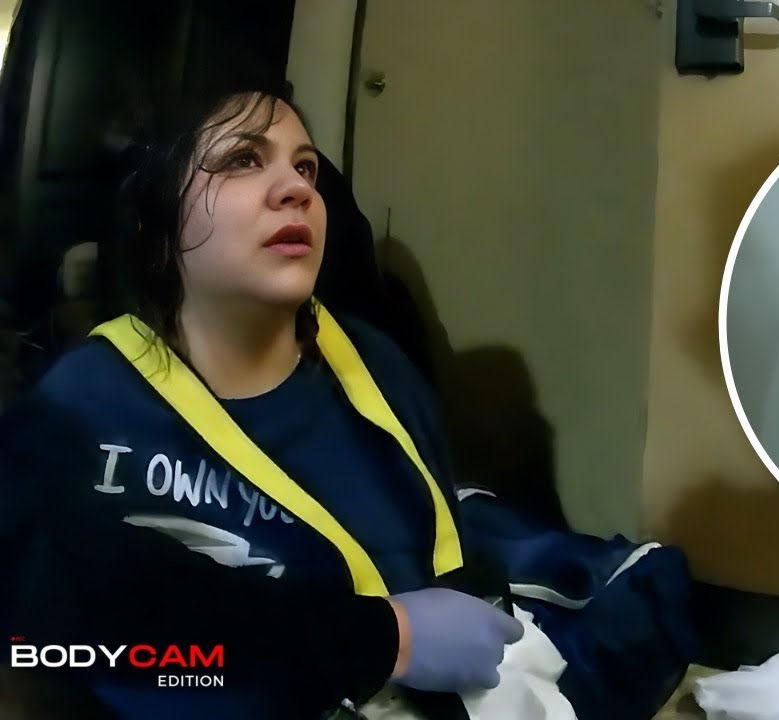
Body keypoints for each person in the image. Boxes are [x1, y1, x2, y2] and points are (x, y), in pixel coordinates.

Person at [7, 85, 523, 718]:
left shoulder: (378, 371)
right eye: (243, 159)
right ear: (160, 219)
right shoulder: (80, 402)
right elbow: (44, 640)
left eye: (306, 167)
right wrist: (380, 640)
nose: (296, 188)